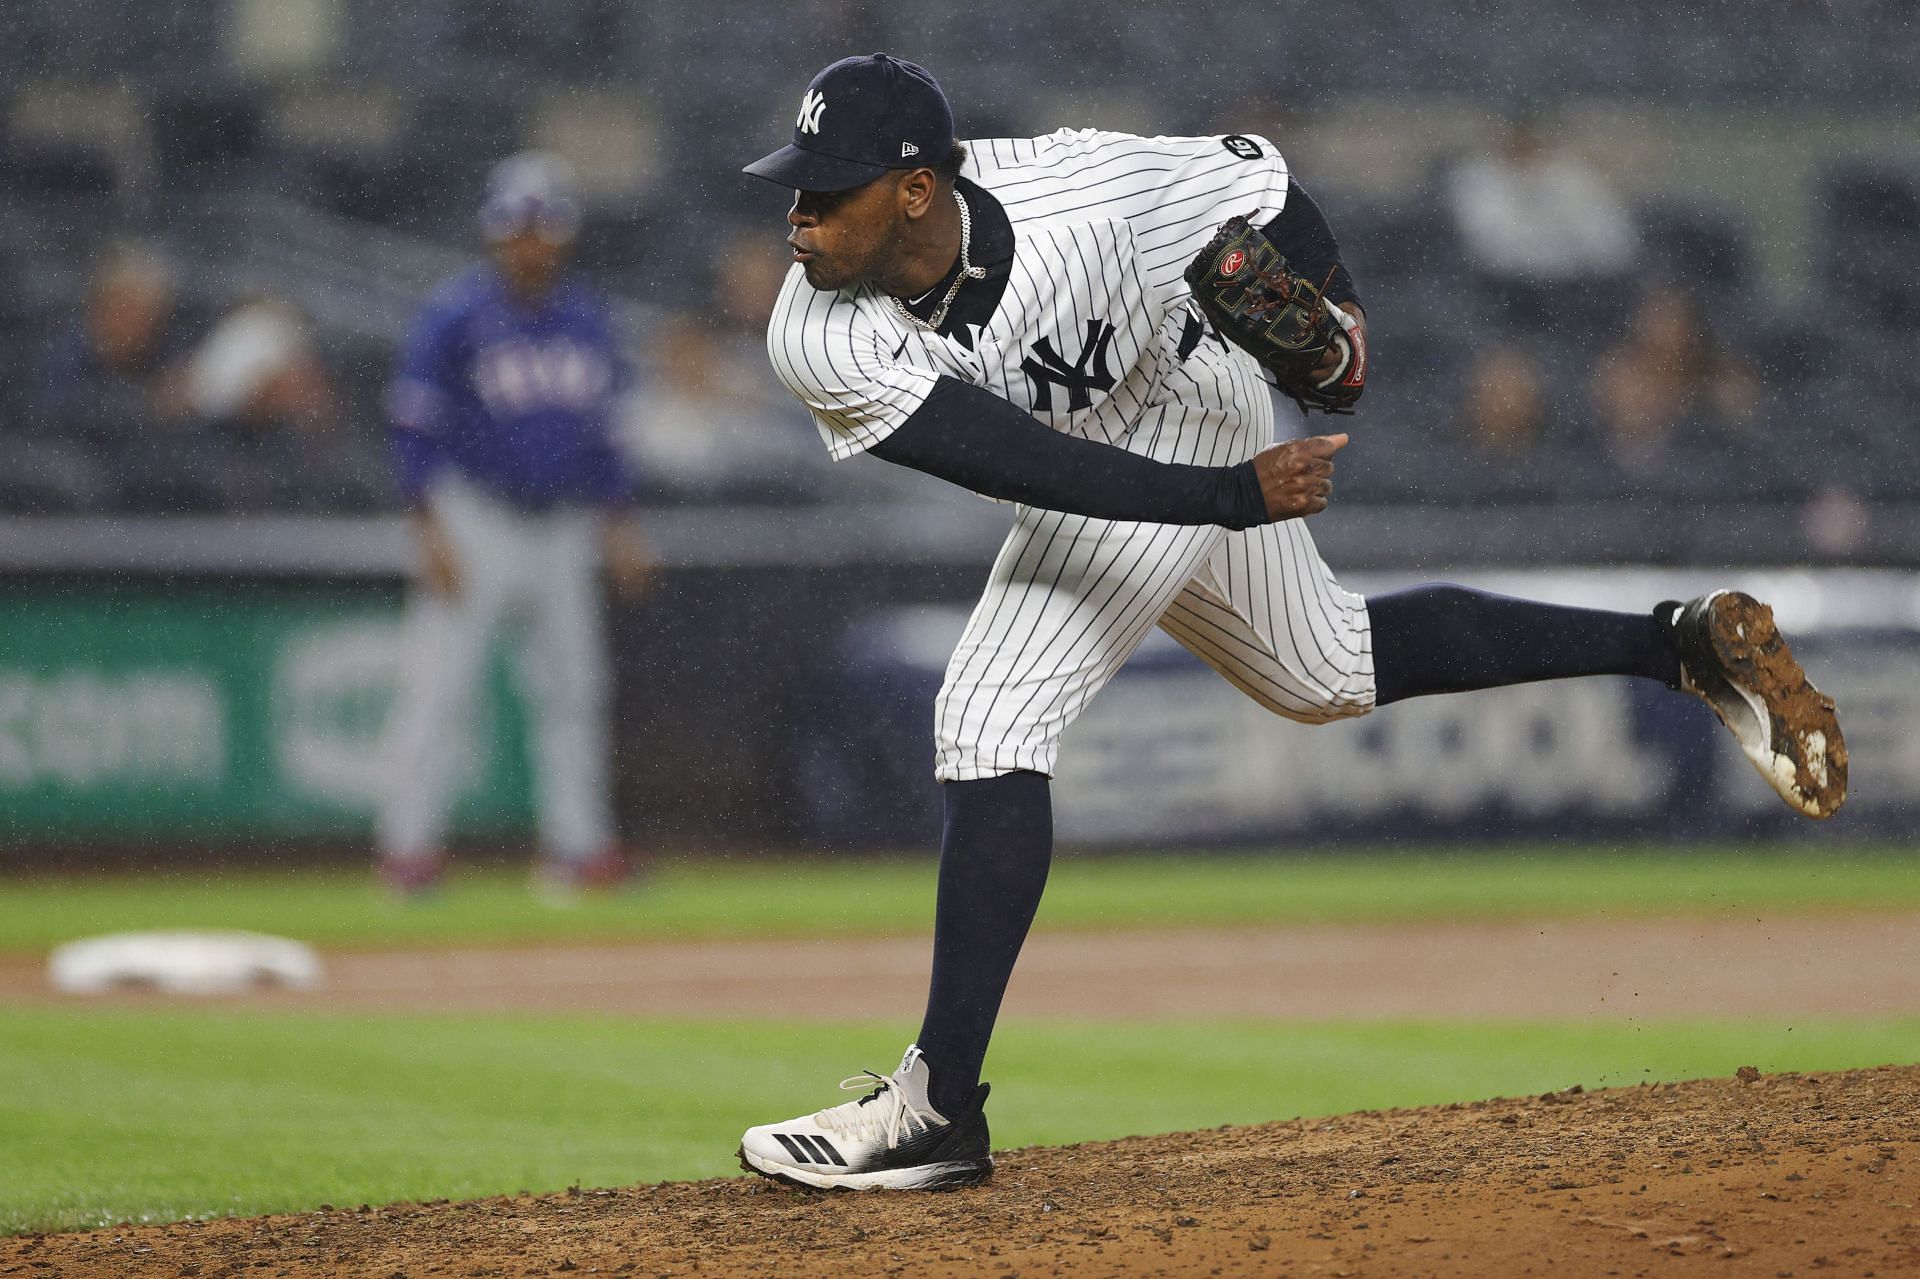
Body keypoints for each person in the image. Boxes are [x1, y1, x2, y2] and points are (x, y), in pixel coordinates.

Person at [734, 54, 1846, 1191]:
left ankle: (938, 1108)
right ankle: (1680, 645)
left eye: (828, 191)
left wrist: (1341, 329)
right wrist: (1232, 497)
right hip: (1148, 470)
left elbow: (1254, 179)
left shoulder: (1087, 190)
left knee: (988, 715)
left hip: (1188, 397)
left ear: (915, 190)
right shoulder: (814, 332)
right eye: (797, 187)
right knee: (1328, 666)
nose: (798, 216)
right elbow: (1030, 464)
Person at [376, 152, 654, 900]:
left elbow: (607, 439)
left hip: (563, 524)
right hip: (476, 517)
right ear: (495, 234)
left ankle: (579, 851)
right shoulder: (455, 315)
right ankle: (409, 853)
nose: (530, 242)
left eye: (543, 228)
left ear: (561, 235)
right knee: (440, 690)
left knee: (574, 691)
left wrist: (620, 523)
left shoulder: (588, 319)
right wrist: (428, 528)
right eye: (518, 228)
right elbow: (412, 428)